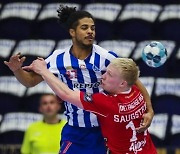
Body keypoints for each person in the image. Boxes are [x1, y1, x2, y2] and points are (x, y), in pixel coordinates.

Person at [4, 5, 154, 154]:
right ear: (72, 32)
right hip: (76, 131)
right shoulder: (58, 58)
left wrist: (150, 110)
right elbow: (30, 81)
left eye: (93, 28)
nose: (90, 31)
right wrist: (16, 70)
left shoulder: (106, 57)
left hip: (104, 131)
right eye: (84, 28)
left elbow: (132, 81)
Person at [25, 57, 157, 154]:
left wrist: (43, 70)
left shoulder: (108, 104)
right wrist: (150, 109)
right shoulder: (136, 91)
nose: (102, 77)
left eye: (109, 74)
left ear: (122, 84)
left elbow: (67, 94)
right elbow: (136, 81)